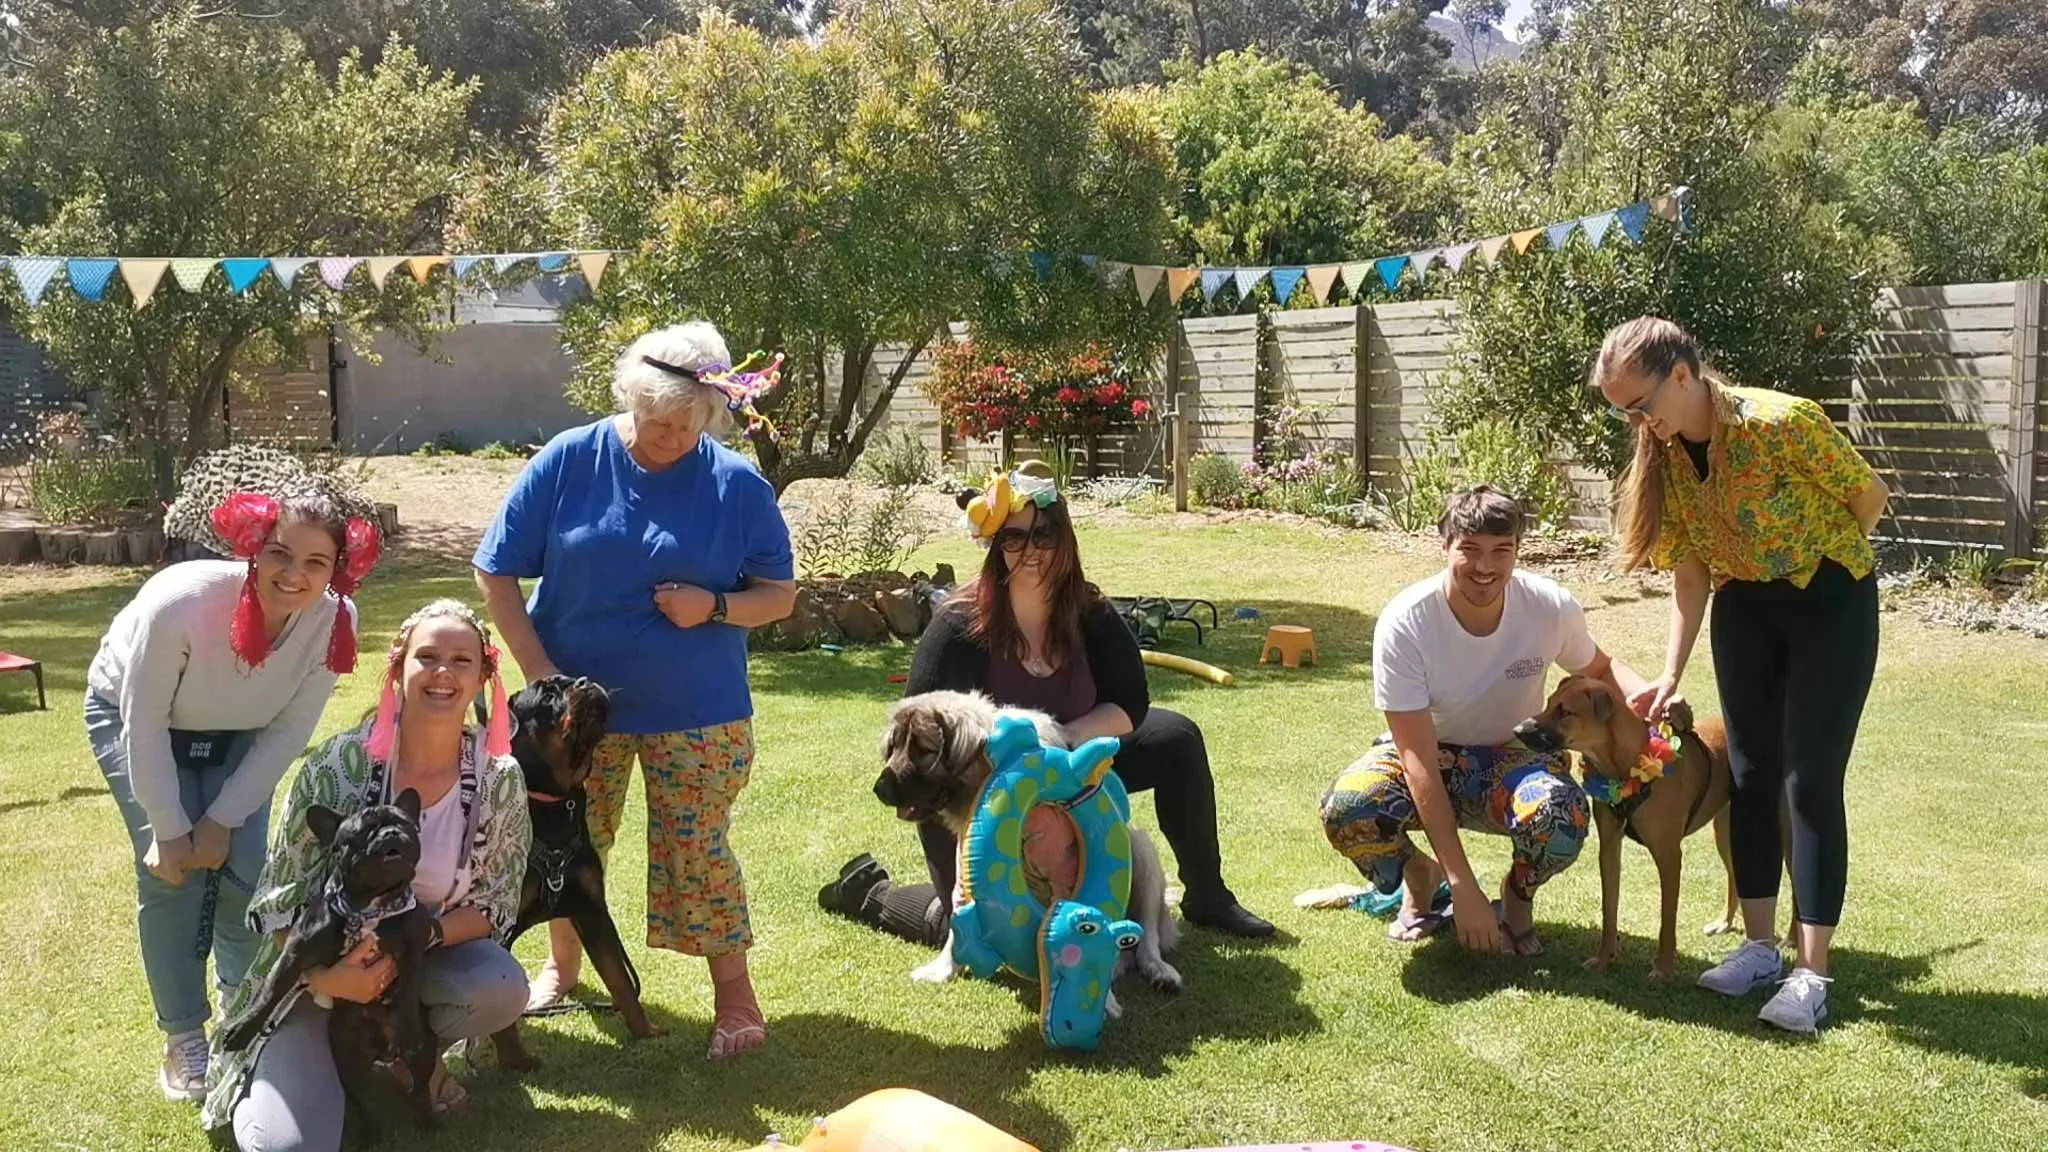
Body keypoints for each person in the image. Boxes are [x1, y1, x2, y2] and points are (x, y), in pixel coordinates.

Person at [472, 320, 796, 1059]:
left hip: (699, 710)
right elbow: (496, 569)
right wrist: (539, 674)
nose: (670, 437)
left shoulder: (736, 484)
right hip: (578, 719)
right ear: (629, 400)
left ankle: (735, 1001)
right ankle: (561, 969)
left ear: (711, 414)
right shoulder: (569, 459)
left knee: (698, 848)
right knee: (562, 841)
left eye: (687, 425)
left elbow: (778, 595)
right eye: (656, 422)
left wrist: (712, 606)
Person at [821, 465, 1275, 944]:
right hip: (981, 795)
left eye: (1045, 536)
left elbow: (1131, 702)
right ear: (996, 546)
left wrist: (1064, 741)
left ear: (1066, 541)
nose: (1031, 551)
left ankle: (1208, 896)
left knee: (1177, 738)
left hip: (1068, 762)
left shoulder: (1089, 612)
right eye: (1014, 539)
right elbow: (915, 737)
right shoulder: (959, 625)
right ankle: (871, 892)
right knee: (976, 931)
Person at [1590, 316, 1888, 1033]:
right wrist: (1668, 672)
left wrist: (1817, 566)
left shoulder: (1783, 422)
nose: (1636, 421)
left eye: (1639, 404)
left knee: (1809, 779)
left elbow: (1867, 496)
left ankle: (1812, 973)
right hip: (1743, 608)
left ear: (1683, 376)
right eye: (1622, 411)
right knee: (1752, 774)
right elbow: (1690, 575)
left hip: (1829, 600)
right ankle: (1759, 948)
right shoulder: (1665, 455)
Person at [201, 599, 533, 1149]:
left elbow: (497, 901)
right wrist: (328, 978)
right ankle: (323, 1059)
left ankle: (410, 1055)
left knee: (497, 986)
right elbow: (278, 899)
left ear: (483, 678)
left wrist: (418, 936)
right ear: (398, 667)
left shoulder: (499, 779)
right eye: (427, 657)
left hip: (418, 961)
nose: (443, 673)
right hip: (315, 981)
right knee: (287, 1145)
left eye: (461, 660)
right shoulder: (337, 766)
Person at [87, 487, 380, 1101]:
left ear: (338, 568)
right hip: (140, 720)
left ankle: (239, 1006)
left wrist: (222, 819)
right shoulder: (183, 604)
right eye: (279, 554)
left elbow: (287, 732)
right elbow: (143, 724)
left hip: (242, 733)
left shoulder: (335, 620)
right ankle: (183, 1035)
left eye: (315, 563)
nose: (294, 575)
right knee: (172, 878)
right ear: (252, 548)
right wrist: (170, 828)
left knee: (246, 874)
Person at [1318, 486, 1660, 957]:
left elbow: (1597, 669)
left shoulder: (1549, 607)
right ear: (1445, 546)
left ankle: (1516, 901)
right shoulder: (1406, 623)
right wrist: (1462, 883)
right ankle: (1422, 879)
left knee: (1563, 814)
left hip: (1515, 757)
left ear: (1518, 550)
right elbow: (1417, 760)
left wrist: (1652, 694)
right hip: (1432, 756)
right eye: (1470, 550)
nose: (1485, 567)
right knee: (1349, 808)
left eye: (1502, 551)